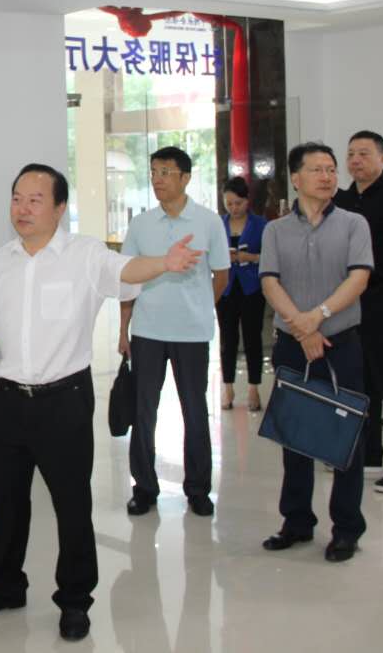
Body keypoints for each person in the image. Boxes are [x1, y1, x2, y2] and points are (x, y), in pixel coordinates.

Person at [0, 164, 201, 641]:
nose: (22, 208)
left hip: (63, 401)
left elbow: (126, 271)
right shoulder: (2, 260)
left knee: (71, 504)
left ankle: (74, 600)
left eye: (35, 200)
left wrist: (164, 263)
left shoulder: (84, 255)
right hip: (9, 400)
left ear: (60, 207)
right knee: (5, 502)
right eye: (17, 198)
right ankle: (5, 586)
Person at [259, 142, 373, 562]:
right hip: (293, 344)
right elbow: (270, 282)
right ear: (296, 178)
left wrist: (317, 318)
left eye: (331, 169)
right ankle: (296, 522)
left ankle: (346, 529)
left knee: (347, 437)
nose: (327, 177)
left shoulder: (354, 224)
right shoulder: (275, 231)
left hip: (340, 343)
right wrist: (301, 326)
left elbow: (358, 278)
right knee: (295, 435)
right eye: (317, 169)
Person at [118, 146, 230, 517]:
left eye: (166, 172)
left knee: (195, 411)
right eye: (153, 172)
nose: (157, 179)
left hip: (192, 333)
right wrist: (123, 330)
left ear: (185, 177)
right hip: (148, 331)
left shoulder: (208, 222)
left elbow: (221, 275)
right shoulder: (141, 224)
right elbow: (128, 278)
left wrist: (199, 306)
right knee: (143, 411)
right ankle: (144, 488)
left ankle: (198, 489)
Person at [335, 131, 383, 493]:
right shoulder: (341, 201)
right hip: (349, 303)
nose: (356, 160)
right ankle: (368, 453)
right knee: (358, 382)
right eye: (351, 154)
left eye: (364, 153)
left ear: (382, 158)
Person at [215, 176, 268, 411]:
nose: (234, 208)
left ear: (247, 201)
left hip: (251, 288)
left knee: (252, 337)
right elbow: (208, 254)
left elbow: (271, 257)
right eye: (229, 204)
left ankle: (254, 388)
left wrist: (251, 257)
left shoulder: (261, 224)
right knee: (227, 339)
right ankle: (228, 387)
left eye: (238, 203)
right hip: (225, 288)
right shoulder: (218, 224)